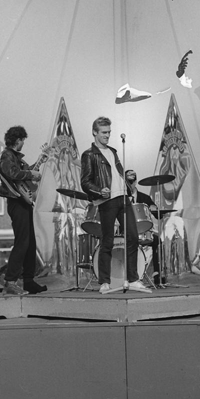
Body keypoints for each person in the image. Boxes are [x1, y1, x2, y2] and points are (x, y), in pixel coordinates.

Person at [80, 117, 150, 294]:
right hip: (108, 200)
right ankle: (104, 281)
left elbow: (116, 173)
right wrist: (99, 191)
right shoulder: (89, 155)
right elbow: (85, 182)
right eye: (104, 132)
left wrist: (127, 182)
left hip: (123, 198)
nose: (107, 135)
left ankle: (133, 279)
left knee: (133, 237)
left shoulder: (113, 151)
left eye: (109, 132)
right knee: (107, 241)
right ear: (94, 132)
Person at [0, 126, 47, 295]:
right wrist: (31, 174)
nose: (24, 143)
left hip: (23, 202)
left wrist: (40, 161)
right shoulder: (7, 155)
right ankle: (10, 281)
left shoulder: (15, 157)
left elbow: (23, 174)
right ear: (18, 140)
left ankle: (28, 280)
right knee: (22, 242)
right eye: (23, 140)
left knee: (30, 243)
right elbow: (13, 173)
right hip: (16, 202)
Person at [125, 169, 161, 284]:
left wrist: (155, 209)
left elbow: (158, 215)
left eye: (131, 182)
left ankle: (157, 274)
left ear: (135, 182)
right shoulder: (122, 199)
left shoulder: (145, 198)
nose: (130, 185)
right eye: (127, 182)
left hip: (143, 232)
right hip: (126, 233)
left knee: (157, 240)